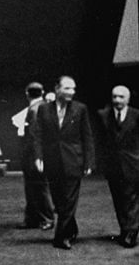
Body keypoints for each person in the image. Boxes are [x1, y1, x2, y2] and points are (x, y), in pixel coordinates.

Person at [32, 75, 94, 250]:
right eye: (67, 88)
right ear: (57, 89)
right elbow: (38, 135)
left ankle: (62, 237)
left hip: (73, 161)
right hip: (52, 162)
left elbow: (87, 136)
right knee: (59, 201)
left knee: (68, 200)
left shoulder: (80, 109)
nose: (71, 92)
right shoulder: (44, 109)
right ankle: (71, 228)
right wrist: (38, 157)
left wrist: (89, 162)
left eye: (73, 89)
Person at [96, 85, 139, 248]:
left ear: (128, 99)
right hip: (113, 165)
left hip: (133, 164)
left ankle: (131, 232)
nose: (117, 100)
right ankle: (125, 229)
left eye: (121, 97)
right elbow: (100, 140)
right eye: (114, 97)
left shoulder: (136, 115)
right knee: (118, 199)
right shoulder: (103, 115)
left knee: (132, 198)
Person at [18, 83, 54, 230]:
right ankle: (33, 219)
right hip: (39, 154)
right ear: (43, 92)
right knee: (35, 187)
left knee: (38, 187)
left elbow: (34, 136)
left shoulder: (34, 109)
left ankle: (46, 218)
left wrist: (35, 157)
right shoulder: (44, 106)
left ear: (27, 93)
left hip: (33, 155)